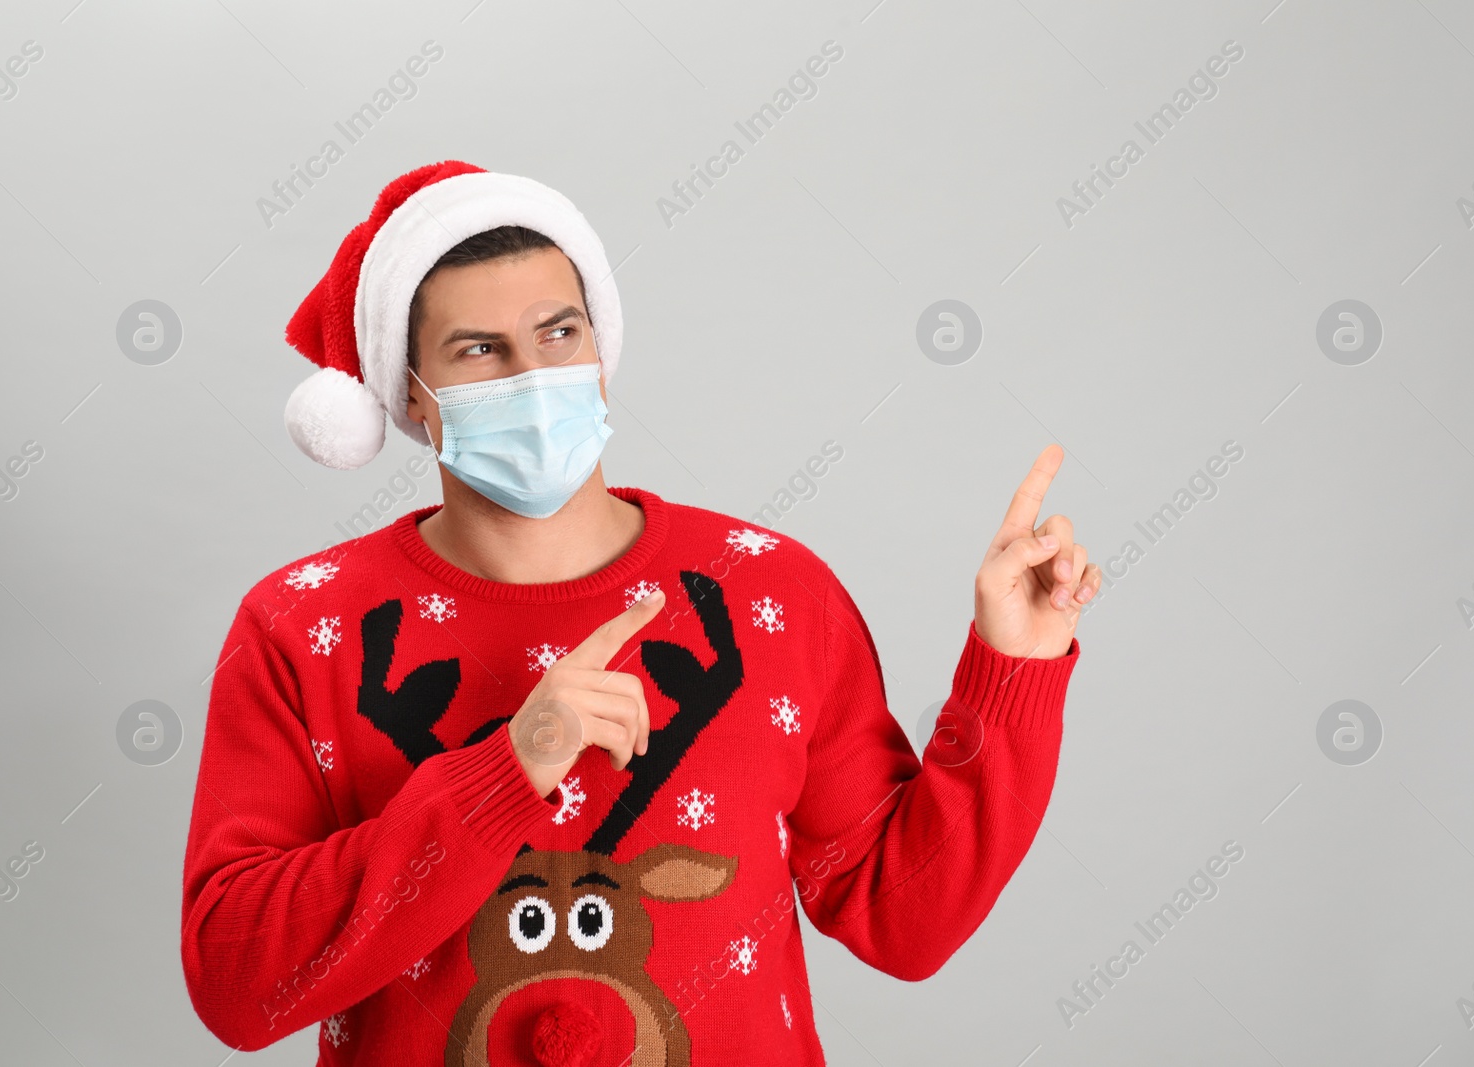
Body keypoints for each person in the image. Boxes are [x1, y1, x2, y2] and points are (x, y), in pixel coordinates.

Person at [180, 160, 1099, 1066]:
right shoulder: (300, 628)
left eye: (559, 332)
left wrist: (1010, 674)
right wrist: (505, 772)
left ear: (601, 353)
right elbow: (236, 983)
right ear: (410, 392)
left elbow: (904, 919)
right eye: (478, 351)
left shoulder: (771, 593)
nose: (533, 376)